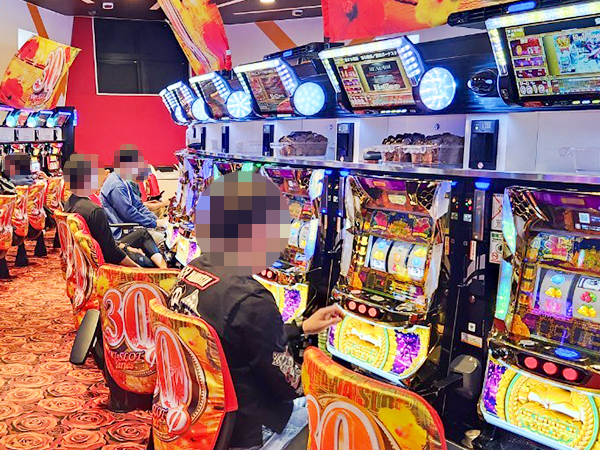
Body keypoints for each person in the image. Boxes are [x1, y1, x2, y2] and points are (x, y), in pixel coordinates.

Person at [168, 171, 344, 450]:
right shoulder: (251, 298)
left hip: (194, 410)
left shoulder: (192, 269)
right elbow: (288, 386)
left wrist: (301, 328)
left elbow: (236, 335)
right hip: (245, 427)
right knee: (336, 415)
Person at [63, 154, 167, 269]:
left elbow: (101, 240)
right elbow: (111, 252)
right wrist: (138, 268)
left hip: (87, 262)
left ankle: (164, 269)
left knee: (143, 237)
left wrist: (125, 247)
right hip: (108, 266)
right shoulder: (95, 211)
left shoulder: (70, 203)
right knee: (151, 264)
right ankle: (165, 270)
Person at [100, 146, 166, 242]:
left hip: (130, 227)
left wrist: (156, 221)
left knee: (165, 233)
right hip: (121, 232)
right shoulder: (117, 186)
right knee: (164, 239)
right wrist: (154, 223)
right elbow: (129, 214)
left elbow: (138, 206)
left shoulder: (124, 181)